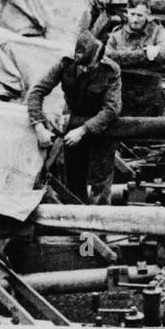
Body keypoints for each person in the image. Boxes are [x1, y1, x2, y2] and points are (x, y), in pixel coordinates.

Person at [26, 30, 122, 204]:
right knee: (74, 178)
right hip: (73, 123)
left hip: (102, 127)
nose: (85, 70)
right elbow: (36, 92)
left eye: (89, 67)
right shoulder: (66, 63)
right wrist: (39, 126)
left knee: (100, 183)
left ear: (98, 59)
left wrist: (84, 130)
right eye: (81, 67)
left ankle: (100, 226)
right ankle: (77, 222)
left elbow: (111, 109)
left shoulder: (110, 70)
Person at [105, 0, 165, 117]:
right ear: (127, 13)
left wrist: (157, 49)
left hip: (150, 94)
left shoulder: (156, 30)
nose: (135, 19)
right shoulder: (116, 35)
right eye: (132, 14)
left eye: (140, 15)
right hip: (125, 93)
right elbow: (106, 56)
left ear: (148, 15)